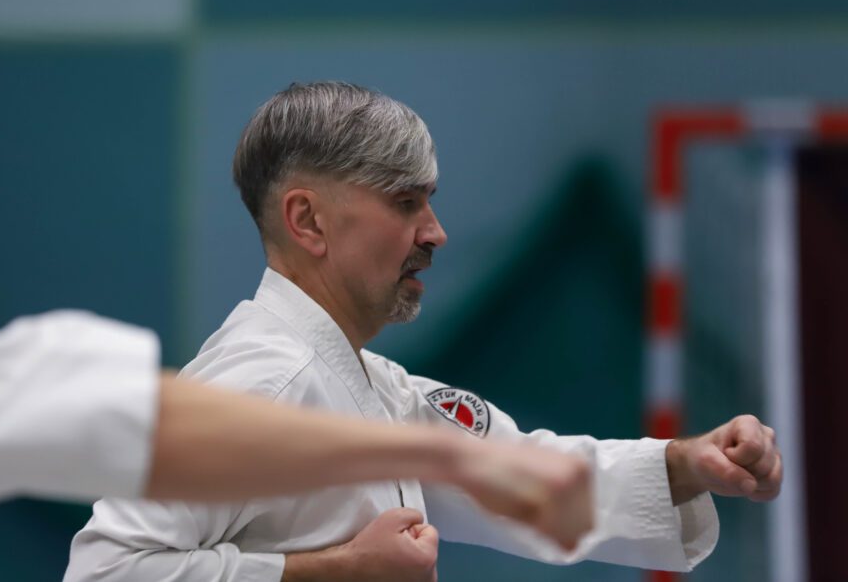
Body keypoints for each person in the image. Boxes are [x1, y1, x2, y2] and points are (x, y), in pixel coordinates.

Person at [0, 0, 598, 580]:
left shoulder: (375, 383)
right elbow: (82, 422)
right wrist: (363, 540)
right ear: (307, 219)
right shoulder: (272, 370)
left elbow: (72, 407)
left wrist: (466, 456)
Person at [65, 81, 784, 582]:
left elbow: (522, 470)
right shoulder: (261, 383)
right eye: (405, 202)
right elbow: (107, 569)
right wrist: (335, 572)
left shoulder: (378, 390)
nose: (435, 233)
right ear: (308, 220)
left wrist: (685, 463)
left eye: (429, 202)